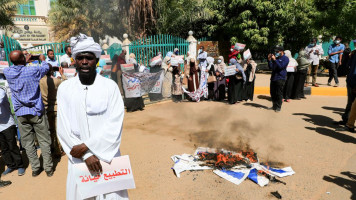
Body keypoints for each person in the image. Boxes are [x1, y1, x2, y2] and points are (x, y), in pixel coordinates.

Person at [57, 33, 129, 200]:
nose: (84, 61)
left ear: (96, 60)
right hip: (79, 159)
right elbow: (63, 127)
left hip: (107, 157)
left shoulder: (109, 87)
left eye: (88, 58)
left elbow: (114, 125)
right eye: (79, 57)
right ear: (74, 60)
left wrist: (89, 147)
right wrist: (86, 155)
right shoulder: (65, 89)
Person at [4, 51, 54, 177]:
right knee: (44, 140)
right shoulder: (33, 71)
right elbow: (47, 67)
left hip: (21, 113)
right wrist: (41, 59)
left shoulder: (7, 72)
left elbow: (15, 66)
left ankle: (36, 168)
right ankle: (48, 168)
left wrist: (23, 59)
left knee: (28, 143)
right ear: (23, 58)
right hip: (36, 112)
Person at [39, 64, 65, 158]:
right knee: (58, 130)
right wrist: (62, 74)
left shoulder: (39, 81)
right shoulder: (56, 80)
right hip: (56, 108)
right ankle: (58, 150)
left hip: (45, 109)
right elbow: (66, 83)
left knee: (50, 130)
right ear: (52, 71)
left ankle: (52, 147)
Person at [0, 86, 25, 176]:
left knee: (12, 146)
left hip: (8, 124)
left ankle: (20, 165)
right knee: (4, 149)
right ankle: (11, 165)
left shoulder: (1, 91)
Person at [338, 40, 356, 126]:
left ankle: (349, 122)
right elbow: (348, 65)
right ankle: (346, 120)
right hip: (351, 80)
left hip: (354, 81)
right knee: (350, 102)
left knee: (352, 103)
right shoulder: (353, 53)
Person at [268, 46, 289, 112]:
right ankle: (274, 106)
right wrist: (269, 60)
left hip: (280, 78)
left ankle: (278, 107)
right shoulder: (276, 58)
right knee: (272, 93)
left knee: (278, 93)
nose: (276, 53)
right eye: (276, 52)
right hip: (274, 78)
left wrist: (274, 60)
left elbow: (281, 67)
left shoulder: (285, 58)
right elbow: (271, 67)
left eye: (277, 51)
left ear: (281, 51)